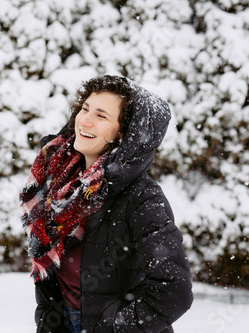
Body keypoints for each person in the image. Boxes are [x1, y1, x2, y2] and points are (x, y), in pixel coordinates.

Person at [19, 75, 193, 333]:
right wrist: (48, 320)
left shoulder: (143, 197)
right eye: (85, 109)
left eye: (101, 116)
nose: (84, 120)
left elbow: (173, 290)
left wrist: (113, 328)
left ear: (123, 134)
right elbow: (49, 274)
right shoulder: (58, 183)